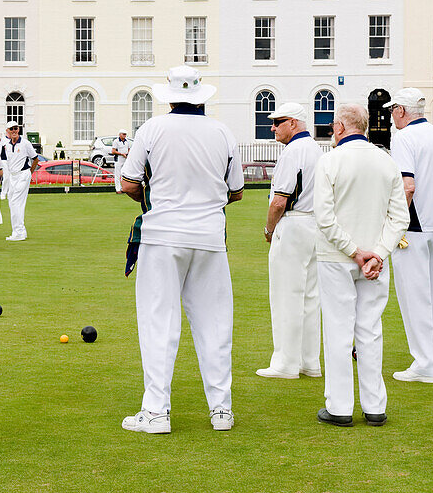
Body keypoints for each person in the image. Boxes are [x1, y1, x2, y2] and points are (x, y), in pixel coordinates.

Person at [119, 66, 245, 435]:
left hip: (162, 236)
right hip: (208, 237)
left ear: (169, 97)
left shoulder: (152, 129)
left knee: (159, 322)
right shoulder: (222, 131)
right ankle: (221, 410)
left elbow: (128, 182)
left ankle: (156, 412)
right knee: (215, 323)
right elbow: (236, 191)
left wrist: (153, 197)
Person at [312, 104, 409, 427]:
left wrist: (357, 253)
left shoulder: (330, 160)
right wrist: (378, 253)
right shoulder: (386, 161)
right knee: (370, 329)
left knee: (339, 330)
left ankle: (340, 407)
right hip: (374, 261)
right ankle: (374, 406)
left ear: (339, 127)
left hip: (338, 257)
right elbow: (400, 218)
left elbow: (324, 218)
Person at [385, 88, 433, 383]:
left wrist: (396, 225)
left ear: (402, 111)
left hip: (413, 227)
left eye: (393, 111)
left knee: (414, 296)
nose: (392, 117)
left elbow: (408, 187)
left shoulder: (404, 138)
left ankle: (425, 364)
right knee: (432, 295)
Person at [259, 102, 325, 380]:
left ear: (294, 123)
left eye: (278, 121)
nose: (273, 127)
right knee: (310, 297)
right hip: (316, 225)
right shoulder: (317, 150)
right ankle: (309, 361)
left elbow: (279, 201)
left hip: (294, 222)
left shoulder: (293, 152)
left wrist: (269, 229)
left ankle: (285, 363)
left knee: (286, 294)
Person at [0, 122, 38, 241]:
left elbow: (35, 159)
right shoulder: (6, 144)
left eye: (16, 128)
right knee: (12, 203)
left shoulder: (26, 143)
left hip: (23, 174)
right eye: (11, 129)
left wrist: (29, 173)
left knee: (16, 202)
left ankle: (19, 232)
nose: (14, 131)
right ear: (8, 131)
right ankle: (20, 230)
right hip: (13, 176)